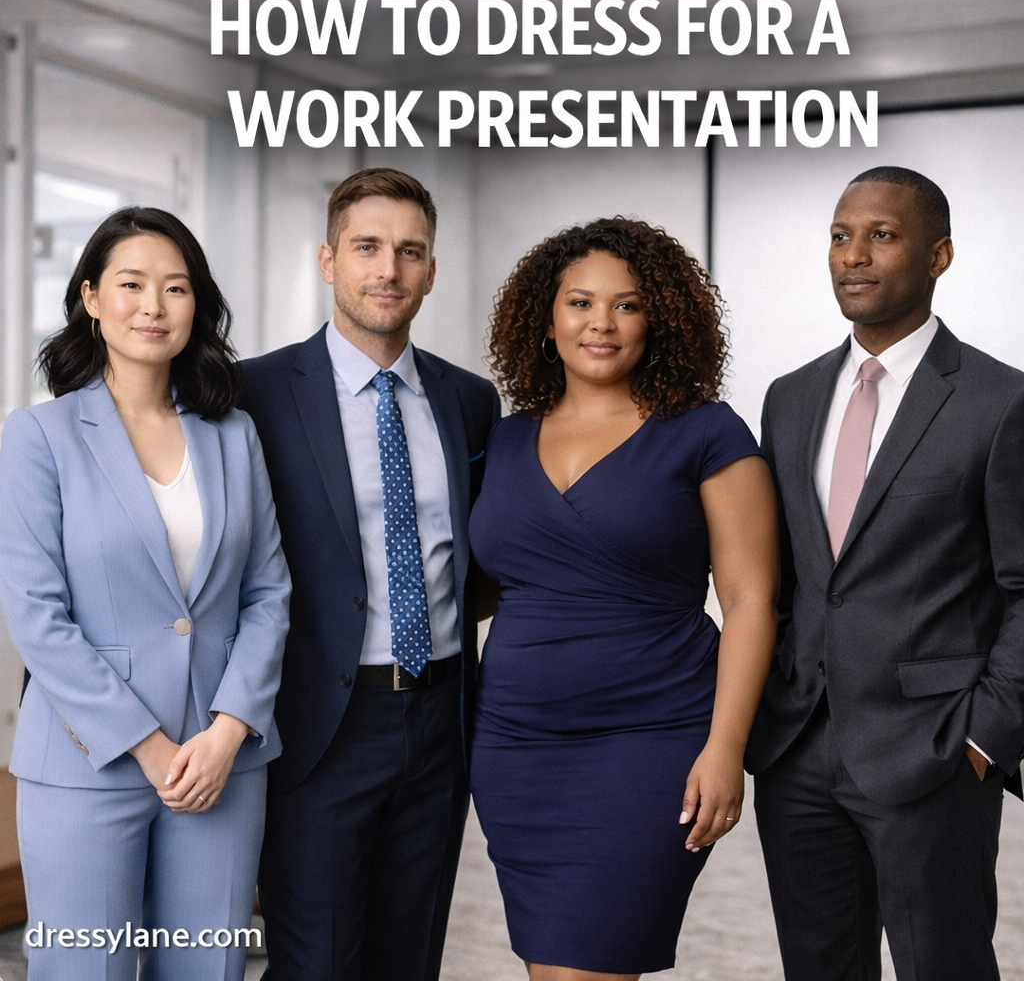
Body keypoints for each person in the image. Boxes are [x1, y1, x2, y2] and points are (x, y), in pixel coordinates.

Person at [469, 216, 779, 981]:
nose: (600, 323)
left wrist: (726, 748)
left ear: (660, 320)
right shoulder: (504, 441)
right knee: (553, 967)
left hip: (652, 739)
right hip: (516, 746)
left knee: (590, 967)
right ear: (546, 318)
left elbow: (749, 598)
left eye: (626, 304)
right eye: (579, 302)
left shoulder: (705, 433)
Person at [746, 166, 1024, 981]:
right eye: (840, 235)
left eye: (882, 235)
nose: (853, 256)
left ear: (938, 256)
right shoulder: (789, 398)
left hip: (933, 752)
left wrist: (984, 738)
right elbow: (799, 577)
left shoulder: (999, 402)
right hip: (798, 750)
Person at [0, 207, 291, 981]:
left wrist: (229, 731)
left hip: (218, 764)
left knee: (209, 970)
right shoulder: (38, 437)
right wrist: (150, 747)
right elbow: (36, 615)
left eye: (175, 287)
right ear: (91, 298)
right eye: (131, 285)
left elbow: (267, 592)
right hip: (86, 763)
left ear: (198, 306)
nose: (153, 307)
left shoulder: (234, 435)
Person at [241, 167, 501, 981]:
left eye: (409, 251)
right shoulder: (254, 393)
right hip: (319, 724)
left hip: (441, 720)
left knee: (409, 955)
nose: (388, 269)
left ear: (431, 269)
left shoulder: (469, 400)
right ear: (328, 261)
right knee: (314, 960)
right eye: (367, 247)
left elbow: (484, 554)